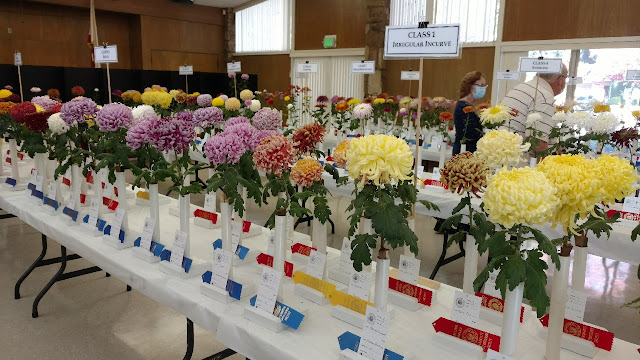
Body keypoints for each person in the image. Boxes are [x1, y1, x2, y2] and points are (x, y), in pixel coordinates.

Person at [501, 64, 568, 153]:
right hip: (520, 162)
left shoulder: (521, 87)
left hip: (503, 157)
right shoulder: (544, 97)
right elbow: (538, 145)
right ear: (560, 80)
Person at [452, 71, 487, 155]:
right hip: (464, 152)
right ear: (471, 87)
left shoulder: (470, 106)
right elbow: (471, 133)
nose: (484, 89)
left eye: (485, 86)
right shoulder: (462, 107)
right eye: (481, 85)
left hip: (470, 151)